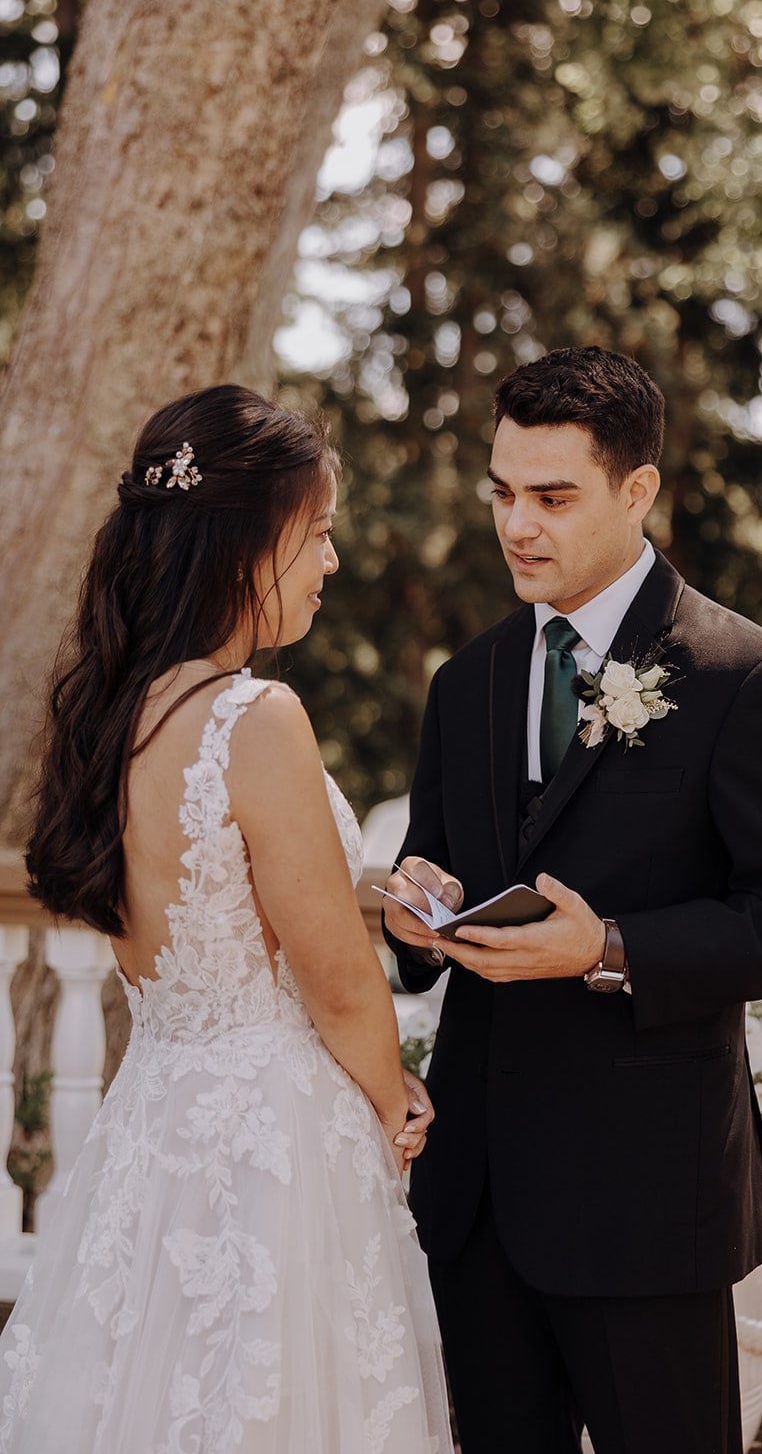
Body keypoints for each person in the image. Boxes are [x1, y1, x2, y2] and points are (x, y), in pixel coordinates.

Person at [383, 345, 762, 1454]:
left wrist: (605, 947)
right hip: (479, 1197)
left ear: (635, 489)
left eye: (553, 496)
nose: (518, 525)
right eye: (502, 492)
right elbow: (433, 870)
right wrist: (415, 912)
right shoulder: (471, 679)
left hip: (647, 1203)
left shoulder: (744, 677)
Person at [3, 384, 450, 1454]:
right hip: (271, 1139)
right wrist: (399, 1102)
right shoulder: (256, 717)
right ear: (248, 540)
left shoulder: (117, 713)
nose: (331, 561)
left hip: (155, 1118)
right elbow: (338, 983)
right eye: (319, 532)